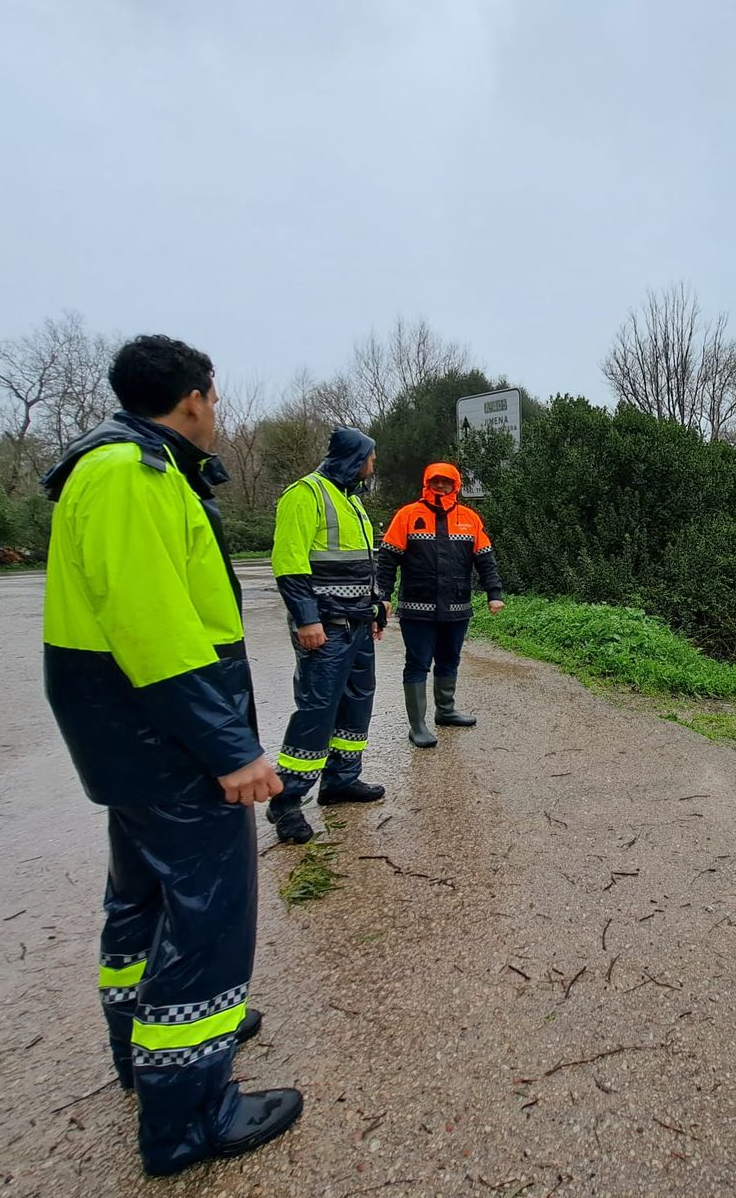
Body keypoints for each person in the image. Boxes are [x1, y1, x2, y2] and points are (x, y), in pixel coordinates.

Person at [40, 335, 302, 1176]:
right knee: (205, 913)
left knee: (144, 895)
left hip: (136, 736)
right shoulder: (131, 474)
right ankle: (191, 1116)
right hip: (168, 739)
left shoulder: (127, 467)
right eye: (215, 399)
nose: (217, 413)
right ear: (192, 398)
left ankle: (144, 1052)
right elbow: (153, 628)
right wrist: (231, 749)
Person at [266, 427, 389, 844]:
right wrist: (306, 619)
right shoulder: (306, 494)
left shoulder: (352, 503)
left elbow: (363, 564)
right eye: (370, 459)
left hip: (356, 625)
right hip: (325, 627)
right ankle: (287, 802)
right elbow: (289, 562)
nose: (373, 466)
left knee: (357, 704)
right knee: (317, 710)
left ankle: (340, 781)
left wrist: (376, 607)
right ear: (355, 460)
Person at [375, 462, 504, 747]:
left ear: (456, 485)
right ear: (426, 483)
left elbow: (485, 559)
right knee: (418, 663)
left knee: (449, 659)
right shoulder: (407, 515)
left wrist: (494, 592)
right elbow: (386, 560)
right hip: (416, 608)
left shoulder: (470, 518)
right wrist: (382, 595)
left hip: (457, 608)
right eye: (436, 481)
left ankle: (445, 711)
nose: (441, 486)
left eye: (447, 482)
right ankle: (417, 725)